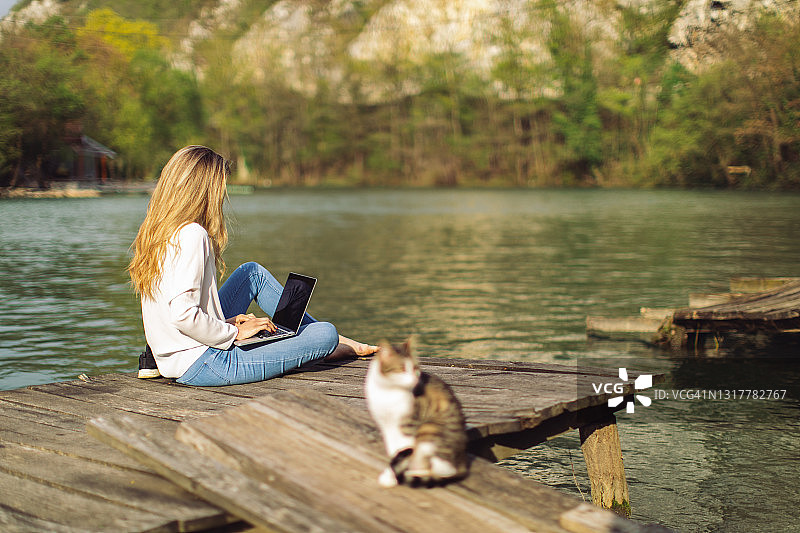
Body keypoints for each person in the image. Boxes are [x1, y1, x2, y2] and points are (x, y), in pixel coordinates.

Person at [128, 145, 377, 386]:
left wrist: (228, 322)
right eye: (220, 188)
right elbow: (182, 315)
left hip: (178, 355)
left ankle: (296, 336)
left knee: (251, 273)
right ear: (204, 191)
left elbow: (173, 311)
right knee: (326, 334)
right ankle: (319, 342)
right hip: (206, 363)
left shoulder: (157, 231)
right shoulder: (193, 234)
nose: (222, 197)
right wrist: (234, 334)